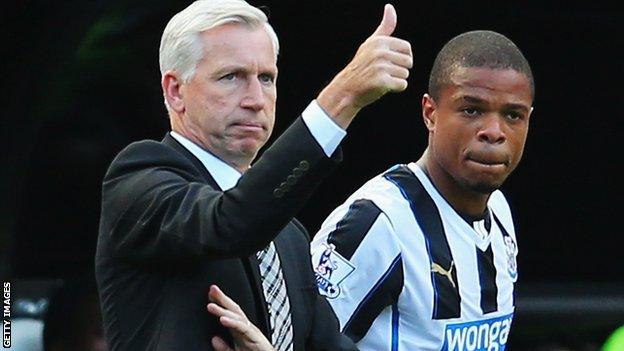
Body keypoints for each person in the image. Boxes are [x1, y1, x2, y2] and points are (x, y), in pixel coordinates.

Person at [95, 0, 412, 350]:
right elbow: (230, 221)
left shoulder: (288, 236)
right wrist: (342, 98)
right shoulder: (140, 174)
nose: (256, 99)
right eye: (231, 77)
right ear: (175, 90)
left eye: (266, 78)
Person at [310, 30, 534, 350]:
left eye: (513, 115)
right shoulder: (378, 222)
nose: (494, 132)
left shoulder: (498, 210)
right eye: (471, 110)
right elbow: (301, 340)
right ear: (430, 113)